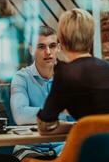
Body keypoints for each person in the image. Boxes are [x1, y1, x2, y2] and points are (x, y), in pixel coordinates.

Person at [37, 8, 109, 135]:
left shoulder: (66, 74)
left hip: (91, 151)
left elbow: (45, 126)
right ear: (91, 37)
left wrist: (78, 127)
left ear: (60, 40)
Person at [10, 26, 72, 159]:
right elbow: (20, 115)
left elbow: (76, 116)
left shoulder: (69, 77)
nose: (48, 52)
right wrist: (59, 111)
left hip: (64, 146)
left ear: (59, 48)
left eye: (52, 46)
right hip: (30, 146)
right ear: (32, 50)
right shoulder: (21, 77)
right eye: (41, 47)